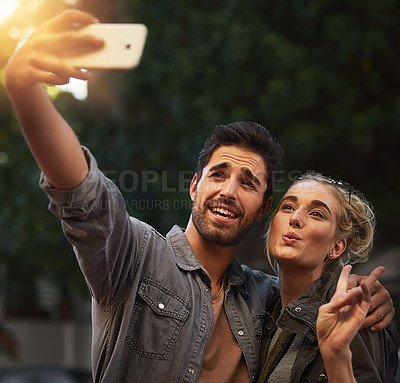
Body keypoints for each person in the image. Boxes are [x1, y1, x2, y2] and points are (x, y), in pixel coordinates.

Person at [4, 10, 396, 383]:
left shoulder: (267, 299)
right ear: (195, 185)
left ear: (262, 211)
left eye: (247, 182)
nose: (228, 190)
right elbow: (83, 195)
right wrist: (23, 88)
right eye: (218, 174)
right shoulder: (134, 256)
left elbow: (316, 295)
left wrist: (373, 296)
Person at [257, 173, 399, 382]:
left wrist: (336, 356)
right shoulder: (259, 308)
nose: (295, 218)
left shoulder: (351, 313)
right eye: (287, 207)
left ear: (336, 247)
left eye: (316, 214)